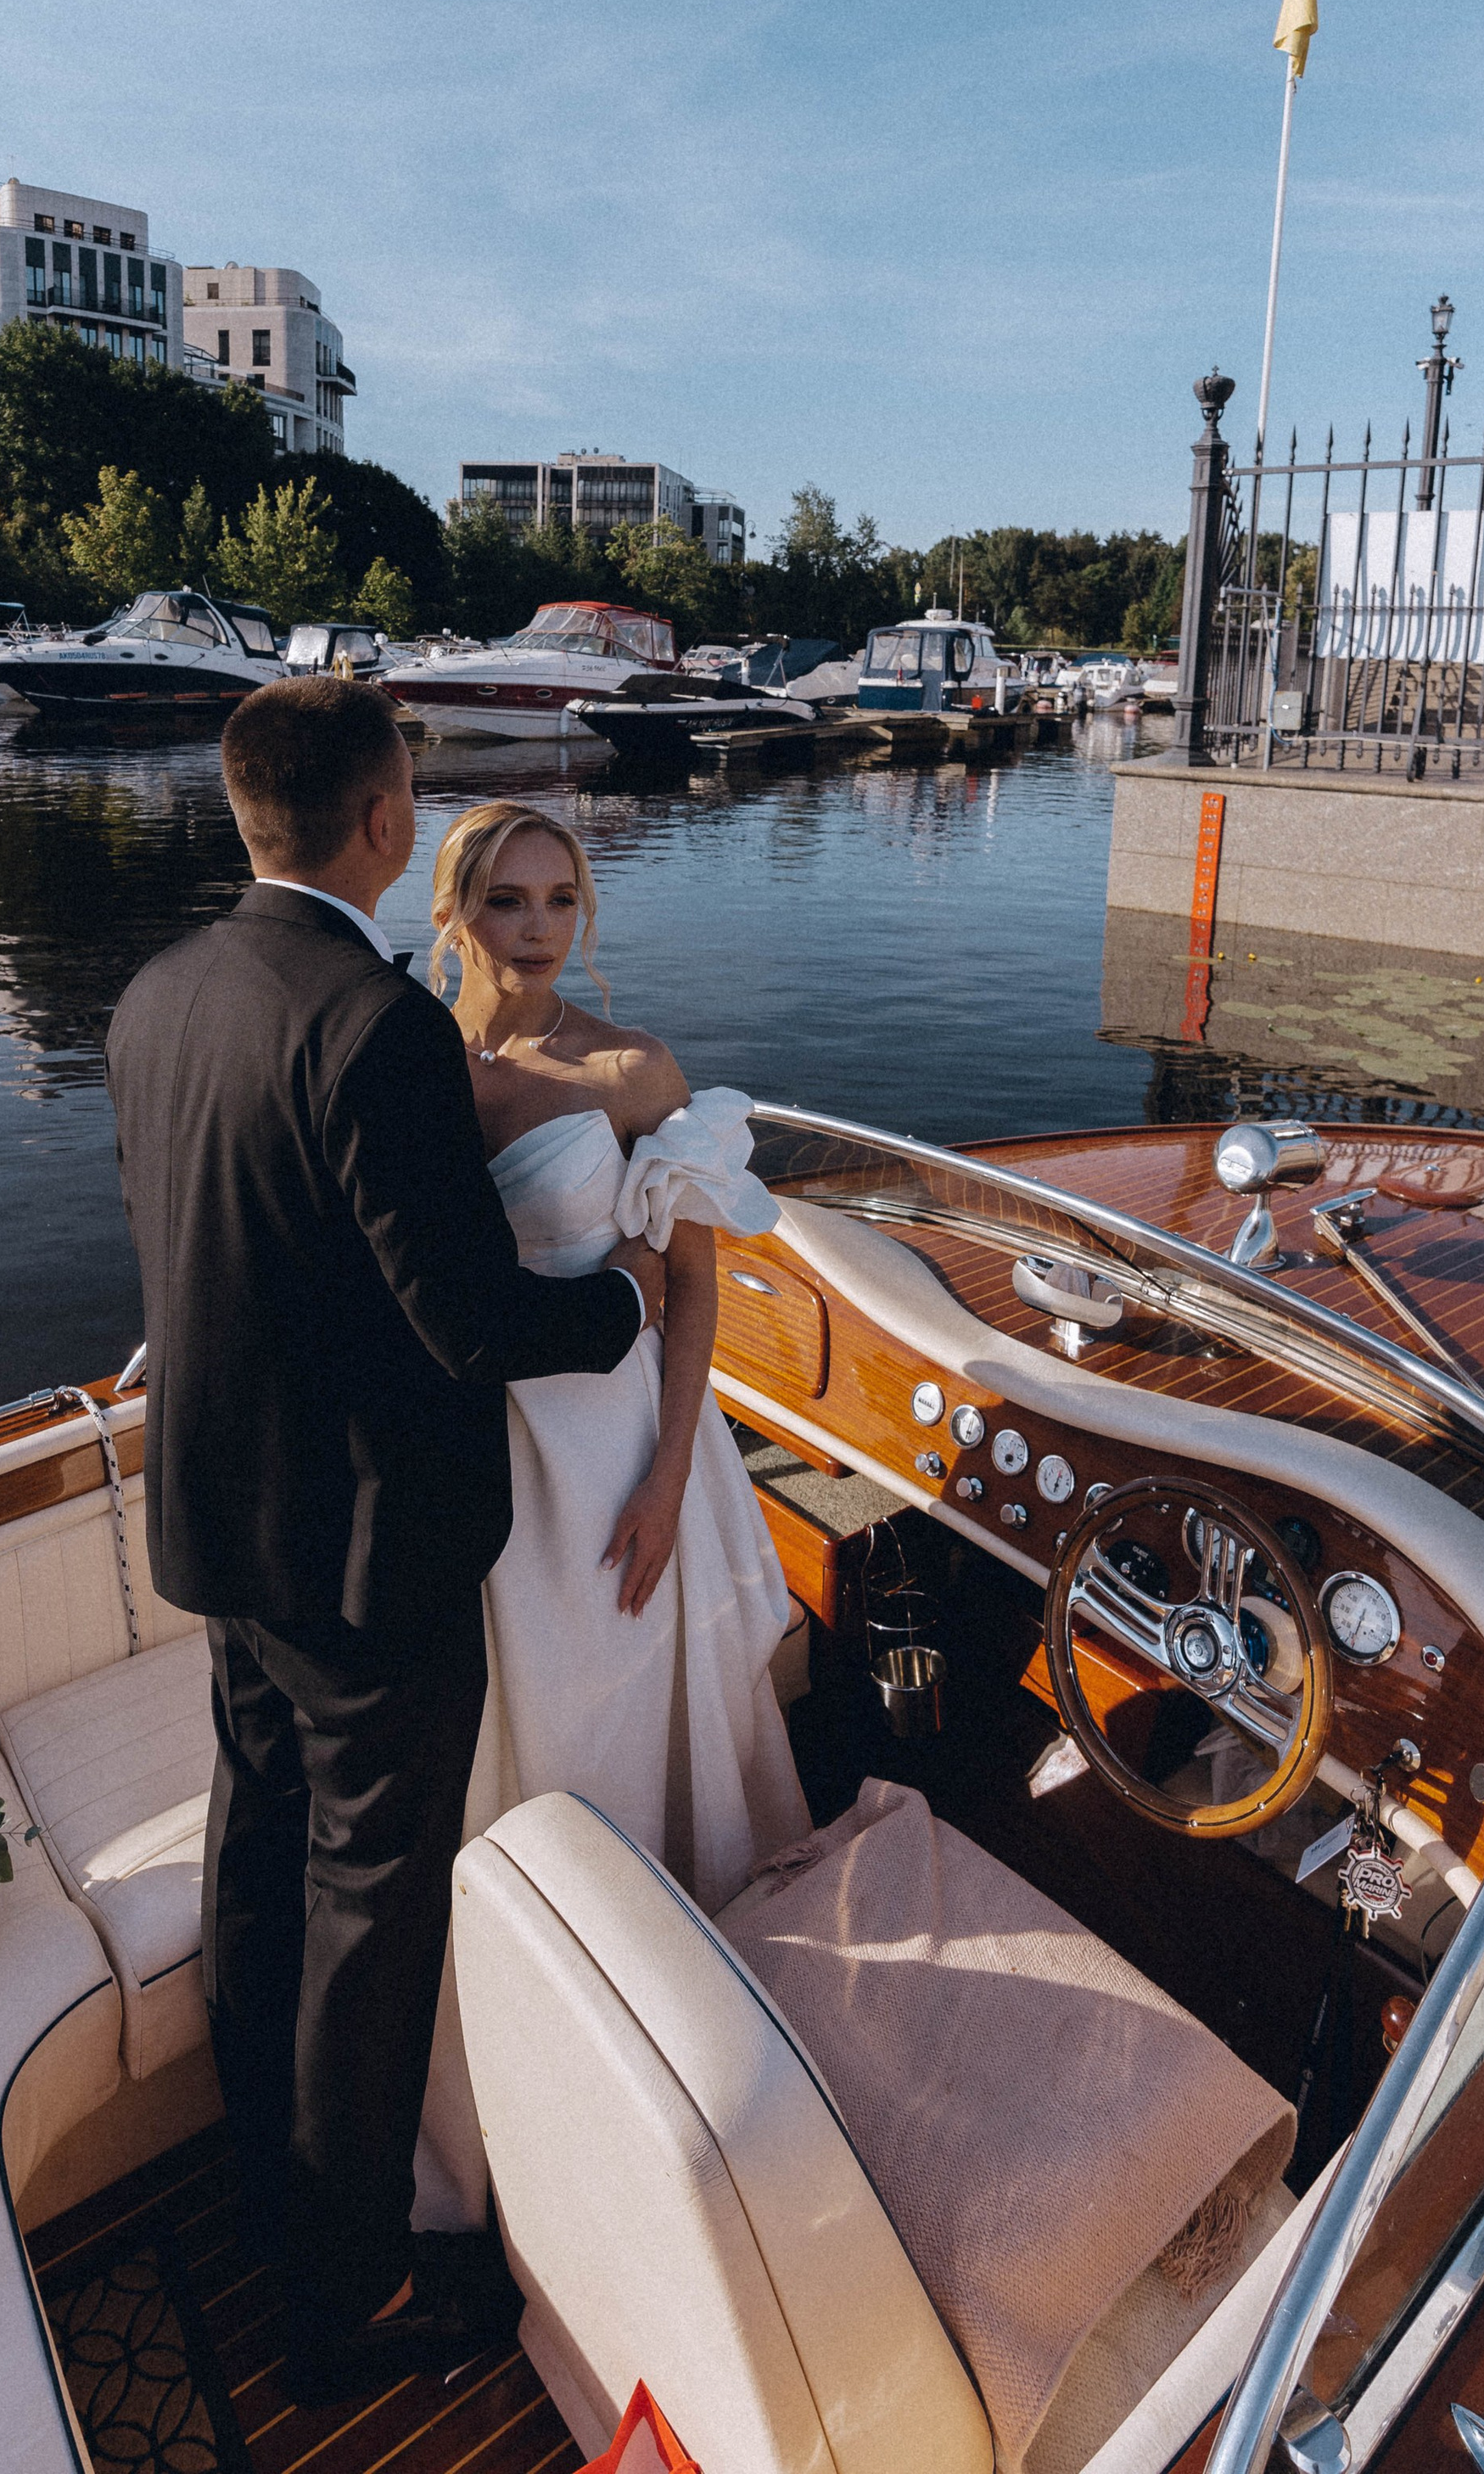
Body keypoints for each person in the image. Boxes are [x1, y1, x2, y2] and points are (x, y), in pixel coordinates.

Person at [104, 681, 664, 2401]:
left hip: (218, 1521)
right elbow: (472, 1321)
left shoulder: (157, 994)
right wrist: (628, 1307)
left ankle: (258, 2172)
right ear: (381, 819)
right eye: (412, 787)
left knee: (257, 1851)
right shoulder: (377, 1027)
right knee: (368, 1906)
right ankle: (346, 2296)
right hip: (365, 1559)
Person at [412, 799, 811, 2236]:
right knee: (519, 1733)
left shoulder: (638, 1069)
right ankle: (549, 2007)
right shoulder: (418, 1070)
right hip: (486, 1460)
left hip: (625, 1448)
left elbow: (692, 1290)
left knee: (637, 1706)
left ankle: (685, 2013)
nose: (536, 928)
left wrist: (665, 1477)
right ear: (454, 910)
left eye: (560, 899)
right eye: (507, 901)